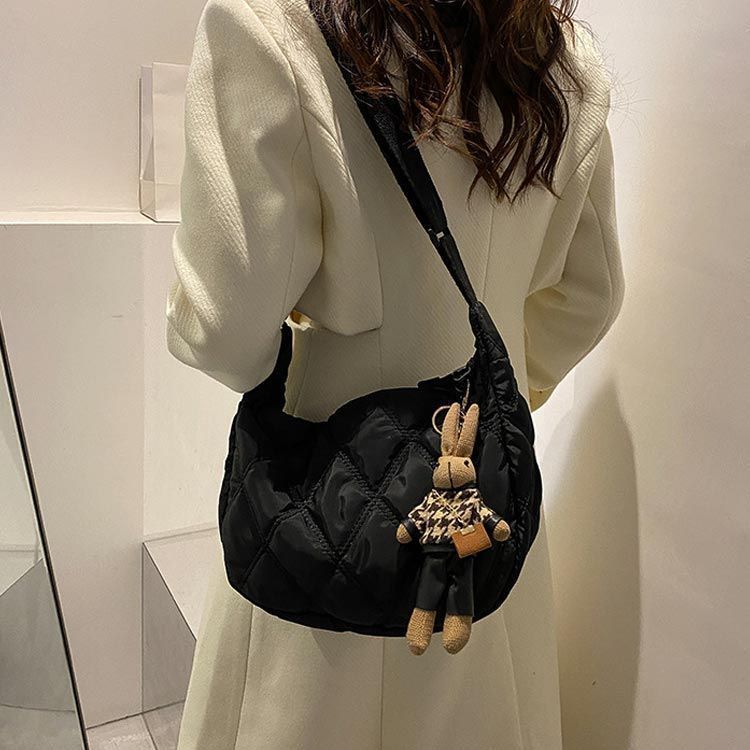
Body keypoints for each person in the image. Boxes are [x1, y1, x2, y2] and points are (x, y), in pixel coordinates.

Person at [165, 0, 626, 746]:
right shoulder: (561, 61)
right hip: (483, 526)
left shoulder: (272, 29)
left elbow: (223, 330)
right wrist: (486, 403)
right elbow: (589, 297)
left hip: (324, 518)